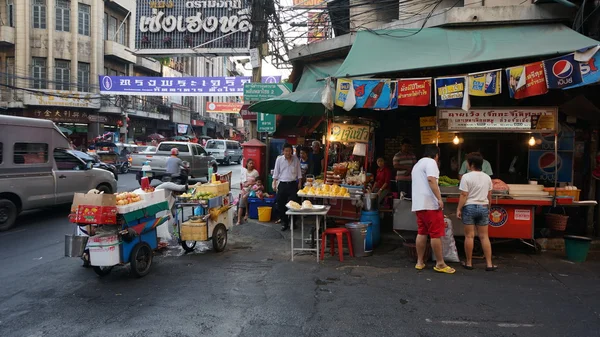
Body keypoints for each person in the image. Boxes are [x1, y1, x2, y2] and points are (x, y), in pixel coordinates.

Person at [411, 145, 455, 274]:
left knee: (422, 232)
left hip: (419, 204)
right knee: (435, 234)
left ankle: (420, 262)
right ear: (436, 155)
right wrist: (439, 198)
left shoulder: (417, 165)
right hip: (430, 204)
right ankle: (440, 263)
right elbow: (431, 180)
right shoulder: (431, 162)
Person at [456, 152, 497, 271]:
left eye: (468, 162)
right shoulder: (487, 177)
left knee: (469, 236)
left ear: (472, 164)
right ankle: (489, 264)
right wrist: (489, 207)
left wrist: (459, 208)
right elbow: (490, 195)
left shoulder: (466, 177)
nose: (466, 164)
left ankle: (469, 263)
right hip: (483, 206)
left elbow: (464, 194)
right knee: (484, 237)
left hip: (469, 207)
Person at [272, 143, 302, 231]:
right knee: (281, 204)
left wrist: (300, 182)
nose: (287, 153)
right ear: (283, 151)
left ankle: (293, 222)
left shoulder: (295, 159)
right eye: (286, 151)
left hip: (293, 184)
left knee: (294, 204)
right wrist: (274, 182)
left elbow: (299, 171)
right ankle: (284, 223)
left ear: (291, 152)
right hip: (282, 184)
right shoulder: (279, 159)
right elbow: (276, 171)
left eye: (289, 151)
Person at [237, 159, 260, 225]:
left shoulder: (255, 172)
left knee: (244, 197)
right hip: (245, 189)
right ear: (247, 164)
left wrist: (251, 183)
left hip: (253, 189)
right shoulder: (244, 172)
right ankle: (239, 220)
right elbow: (241, 181)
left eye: (252, 163)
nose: (251, 165)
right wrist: (244, 185)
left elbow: (258, 182)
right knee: (241, 203)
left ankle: (247, 212)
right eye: (250, 163)